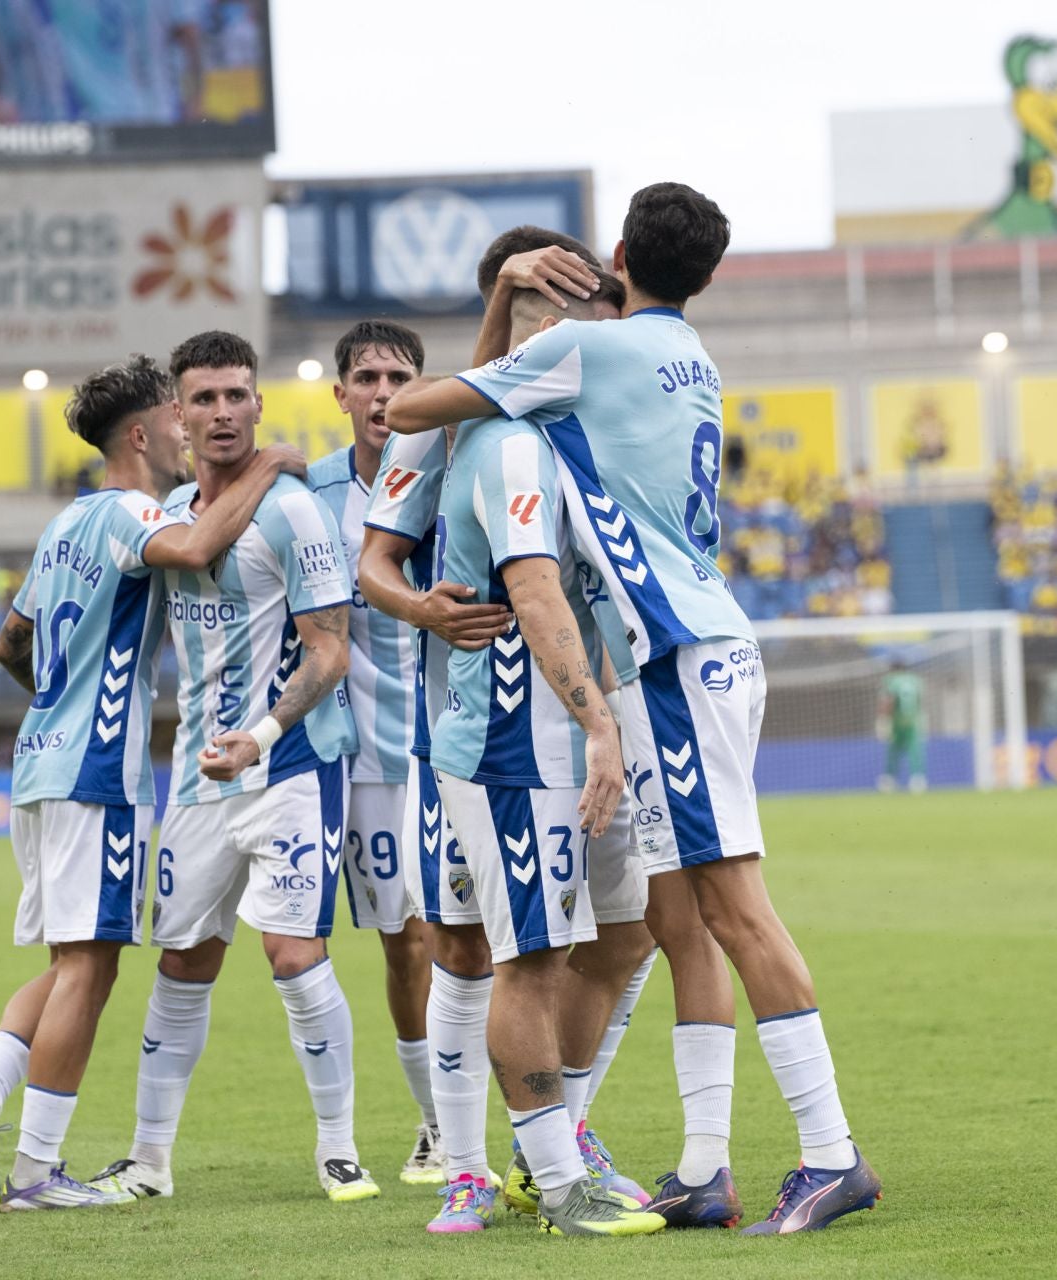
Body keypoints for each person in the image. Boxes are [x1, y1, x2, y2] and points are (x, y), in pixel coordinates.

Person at [387, 183, 881, 1235]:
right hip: (688, 647)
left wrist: (517, 295)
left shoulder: (589, 352)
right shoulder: (683, 353)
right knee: (676, 919)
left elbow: (414, 408)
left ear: (615, 256)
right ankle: (704, 1165)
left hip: (670, 657)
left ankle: (831, 1151)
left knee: (735, 907)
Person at [0, 353, 298, 1213]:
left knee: (71, 960)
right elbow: (200, 543)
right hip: (98, 771)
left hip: (40, 760)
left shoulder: (65, 523)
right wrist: (273, 463)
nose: (187, 431)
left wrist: (58, 705)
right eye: (177, 419)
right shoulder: (134, 511)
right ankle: (34, 1174)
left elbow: (8, 644)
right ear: (141, 433)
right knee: (92, 970)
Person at [359, 230, 658, 1235]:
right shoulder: (459, 426)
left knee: (621, 930)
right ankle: (475, 1163)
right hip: (482, 728)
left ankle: (558, 1136)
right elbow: (378, 561)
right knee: (472, 943)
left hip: (563, 724)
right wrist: (423, 611)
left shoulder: (577, 425)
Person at [93, 331, 377, 1206]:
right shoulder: (173, 514)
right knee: (183, 962)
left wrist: (260, 730)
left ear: (260, 404)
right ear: (176, 412)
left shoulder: (294, 512)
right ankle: (149, 1160)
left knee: (295, 956)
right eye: (204, 399)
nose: (221, 413)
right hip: (196, 782)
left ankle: (339, 1150)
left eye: (236, 396)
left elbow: (331, 650)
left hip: (289, 766)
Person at [306, 319, 443, 1184]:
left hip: (450, 745)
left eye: (399, 376)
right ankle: (436, 1124)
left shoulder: (449, 468)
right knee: (404, 942)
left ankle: (480, 1121)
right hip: (358, 760)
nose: (383, 392)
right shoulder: (309, 492)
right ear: (342, 393)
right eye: (367, 377)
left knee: (459, 934)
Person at [876, 659, 927, 792]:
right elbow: (919, 700)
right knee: (915, 750)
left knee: (893, 751)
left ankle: (888, 780)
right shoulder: (915, 680)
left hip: (897, 721)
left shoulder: (891, 680)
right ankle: (918, 780)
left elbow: (888, 700)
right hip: (913, 720)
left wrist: (883, 719)